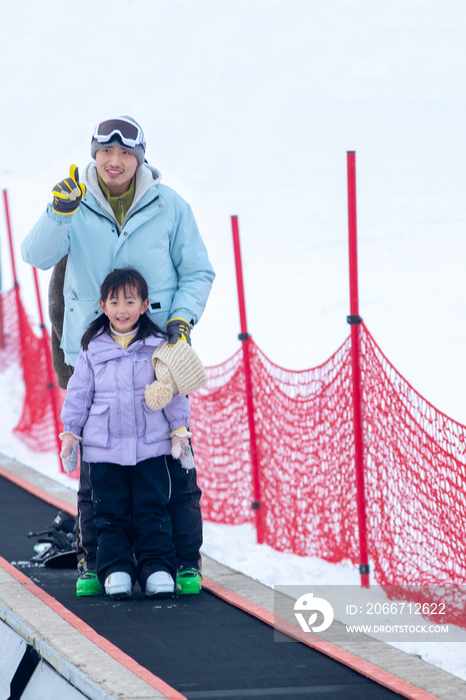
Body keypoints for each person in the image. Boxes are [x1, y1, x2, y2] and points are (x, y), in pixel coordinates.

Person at [21, 116, 215, 597]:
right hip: (93, 352)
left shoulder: (169, 206)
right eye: (105, 153)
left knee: (170, 463)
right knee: (98, 465)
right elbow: (36, 254)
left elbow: (197, 271)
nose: (114, 161)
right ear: (94, 155)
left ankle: (177, 562)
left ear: (140, 157)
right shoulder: (75, 201)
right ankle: (100, 562)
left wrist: (181, 321)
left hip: (157, 352)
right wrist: (58, 211)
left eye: (125, 153)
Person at [60, 268, 196, 598]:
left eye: (131, 301)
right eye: (115, 302)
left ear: (145, 305)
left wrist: (180, 431)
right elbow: (79, 393)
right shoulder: (92, 349)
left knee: (152, 509)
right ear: (103, 306)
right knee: (110, 511)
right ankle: (116, 568)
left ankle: (157, 568)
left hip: (150, 449)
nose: (123, 309)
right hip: (104, 450)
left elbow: (172, 390)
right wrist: (70, 433)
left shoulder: (157, 346)